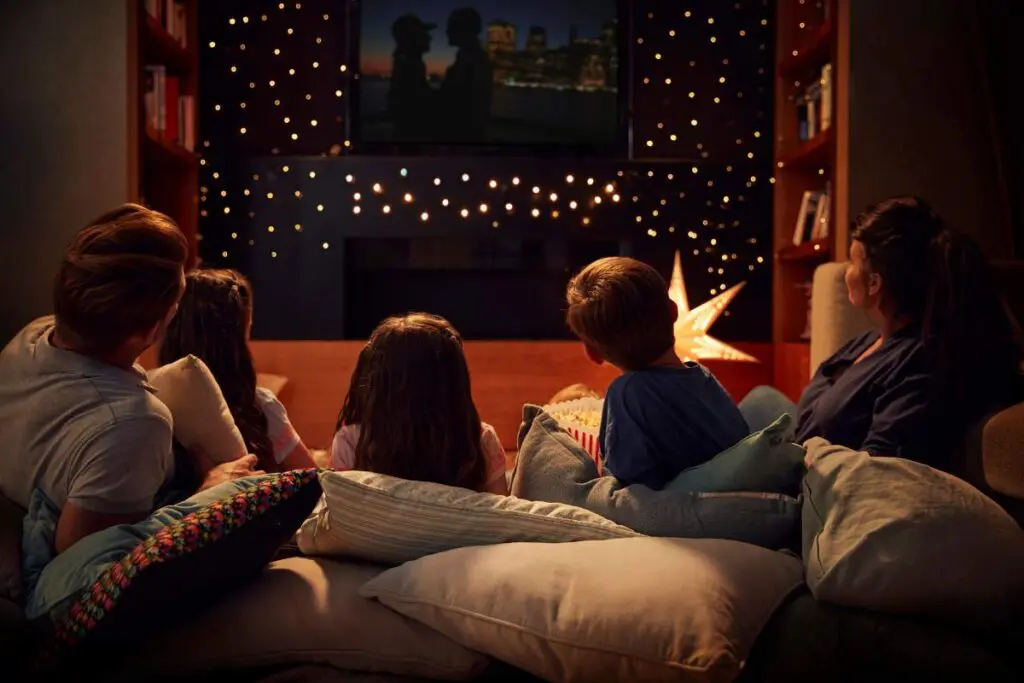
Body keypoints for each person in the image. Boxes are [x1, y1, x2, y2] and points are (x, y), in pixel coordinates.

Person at [0, 204, 260, 559]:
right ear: (150, 331)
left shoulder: (32, 336)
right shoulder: (134, 422)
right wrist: (209, 495)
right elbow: (86, 566)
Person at [740, 196, 1022, 470]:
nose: (846, 272)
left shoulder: (918, 360)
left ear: (874, 283)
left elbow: (876, 465)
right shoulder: (869, 341)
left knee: (698, 390)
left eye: (852, 261)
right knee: (757, 397)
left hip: (805, 483)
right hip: (792, 444)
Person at [565, 257, 750, 490]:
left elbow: (627, 492)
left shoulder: (627, 394)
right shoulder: (703, 378)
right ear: (673, 311)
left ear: (593, 353)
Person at [330, 313, 508, 495]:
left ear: (380, 387)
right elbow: (501, 519)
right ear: (453, 386)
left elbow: (343, 516)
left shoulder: (353, 442)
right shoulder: (480, 441)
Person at [159, 268, 315, 473]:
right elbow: (315, 481)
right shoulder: (258, 408)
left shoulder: (152, 402)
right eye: (247, 329)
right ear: (235, 343)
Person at [439, 7, 493, 143]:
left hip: (462, 137)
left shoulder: (471, 60)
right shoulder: (473, 57)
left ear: (462, 30)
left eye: (451, 26)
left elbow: (457, 101)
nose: (447, 31)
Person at [387, 14, 437, 142]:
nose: (429, 37)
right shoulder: (411, 65)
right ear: (412, 38)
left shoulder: (406, 62)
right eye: (423, 33)